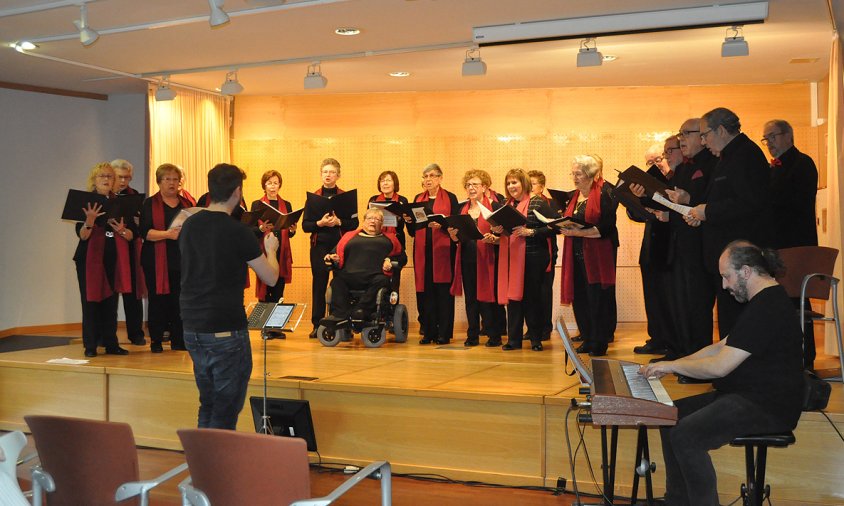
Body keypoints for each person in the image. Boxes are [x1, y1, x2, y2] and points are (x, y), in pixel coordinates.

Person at [641, 241, 804, 506]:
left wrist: (671, 366)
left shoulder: (768, 306)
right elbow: (720, 346)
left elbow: (720, 366)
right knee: (669, 416)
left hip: (767, 406)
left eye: (726, 276)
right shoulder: (762, 301)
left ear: (746, 271)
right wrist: (672, 363)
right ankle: (678, 501)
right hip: (747, 396)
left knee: (686, 435)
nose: (725, 285)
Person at [179, 163, 280, 430]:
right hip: (224, 327)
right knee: (226, 406)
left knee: (208, 401)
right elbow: (270, 277)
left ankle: (203, 465)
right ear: (238, 192)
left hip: (192, 325)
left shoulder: (189, 226)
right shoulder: (238, 232)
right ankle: (217, 468)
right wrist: (271, 249)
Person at [687, 107, 772, 339]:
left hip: (740, 256)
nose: (703, 142)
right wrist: (701, 214)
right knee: (728, 318)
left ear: (722, 130)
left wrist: (709, 211)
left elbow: (750, 202)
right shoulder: (728, 156)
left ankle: (737, 370)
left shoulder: (746, 155)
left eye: (705, 135)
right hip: (727, 253)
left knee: (737, 319)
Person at [763, 118, 819, 369]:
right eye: (766, 139)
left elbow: (792, 201)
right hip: (777, 246)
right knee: (781, 303)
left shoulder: (802, 163)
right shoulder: (773, 168)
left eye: (772, 137)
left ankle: (805, 359)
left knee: (798, 301)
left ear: (788, 135)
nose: (769, 144)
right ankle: (785, 356)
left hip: (797, 245)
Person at [664, 118, 718, 370]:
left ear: (703, 136)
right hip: (680, 245)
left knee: (698, 306)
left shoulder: (713, 163)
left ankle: (700, 362)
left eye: (687, 133)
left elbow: (712, 202)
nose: (682, 138)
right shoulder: (685, 168)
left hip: (702, 246)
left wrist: (689, 198)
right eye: (680, 133)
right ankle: (685, 356)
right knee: (682, 303)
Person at [559, 155, 619, 357]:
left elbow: (606, 228)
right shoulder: (574, 197)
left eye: (579, 174)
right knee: (581, 297)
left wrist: (578, 232)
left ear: (591, 174)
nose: (574, 178)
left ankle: (599, 342)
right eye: (573, 173)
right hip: (576, 254)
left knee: (597, 298)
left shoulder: (605, 193)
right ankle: (587, 338)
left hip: (598, 255)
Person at [73, 162, 134, 357]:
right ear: (94, 180)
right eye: (102, 176)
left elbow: (132, 235)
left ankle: (111, 344)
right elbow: (82, 235)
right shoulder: (85, 202)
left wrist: (122, 230)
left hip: (113, 258)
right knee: (90, 303)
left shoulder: (121, 203)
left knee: (111, 303)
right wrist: (89, 221)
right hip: (89, 260)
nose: (107, 179)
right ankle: (90, 346)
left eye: (110, 176)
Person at [497, 168, 555, 351]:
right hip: (512, 257)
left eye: (514, 182)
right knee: (513, 300)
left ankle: (536, 340)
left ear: (524, 182)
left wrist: (531, 232)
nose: (511, 186)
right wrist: (498, 231)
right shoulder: (507, 205)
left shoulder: (538, 202)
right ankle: (513, 340)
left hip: (534, 257)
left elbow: (554, 227)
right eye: (508, 183)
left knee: (532, 299)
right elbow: (509, 231)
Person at [628, 142, 676, 359]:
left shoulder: (677, 180)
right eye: (650, 163)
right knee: (653, 295)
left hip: (672, 247)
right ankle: (656, 338)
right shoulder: (650, 185)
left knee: (669, 296)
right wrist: (635, 200)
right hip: (651, 246)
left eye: (658, 160)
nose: (655, 165)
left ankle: (672, 341)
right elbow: (637, 216)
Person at [302, 158, 359, 338]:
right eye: (325, 172)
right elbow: (305, 226)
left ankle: (340, 322)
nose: (328, 175)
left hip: (340, 246)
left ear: (338, 175)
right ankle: (317, 323)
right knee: (319, 284)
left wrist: (338, 221)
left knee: (340, 284)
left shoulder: (346, 196)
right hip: (319, 246)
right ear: (321, 174)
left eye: (332, 172)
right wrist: (320, 223)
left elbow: (355, 223)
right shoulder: (313, 197)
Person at [448, 170, 505, 347]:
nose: (471, 188)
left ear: (484, 187)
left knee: (489, 299)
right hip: (467, 257)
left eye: (475, 185)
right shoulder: (461, 208)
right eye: (468, 185)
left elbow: (504, 236)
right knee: (471, 298)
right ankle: (472, 334)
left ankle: (493, 335)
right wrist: (452, 235)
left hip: (488, 258)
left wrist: (495, 239)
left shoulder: (494, 207)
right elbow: (458, 239)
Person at [139, 163, 192, 353]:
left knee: (180, 300)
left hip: (181, 260)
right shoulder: (149, 204)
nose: (171, 183)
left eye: (175, 179)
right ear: (159, 182)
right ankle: (156, 340)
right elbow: (144, 233)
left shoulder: (186, 205)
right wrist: (168, 234)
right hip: (155, 260)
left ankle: (179, 339)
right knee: (158, 300)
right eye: (167, 179)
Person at [323, 208, 401, 321]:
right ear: (364, 221)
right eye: (369, 218)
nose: (373, 221)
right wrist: (331, 257)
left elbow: (401, 257)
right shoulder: (349, 236)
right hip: (349, 276)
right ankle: (340, 315)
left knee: (382, 281)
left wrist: (389, 259)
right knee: (336, 281)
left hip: (375, 277)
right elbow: (334, 253)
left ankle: (360, 311)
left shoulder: (390, 239)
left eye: (377, 219)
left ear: (382, 223)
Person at [412, 163, 459, 345]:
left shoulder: (451, 198)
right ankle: (428, 332)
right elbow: (412, 229)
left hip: (444, 252)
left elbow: (456, 224)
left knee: (443, 294)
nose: (428, 179)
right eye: (425, 176)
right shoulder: (418, 198)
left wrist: (444, 225)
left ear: (440, 178)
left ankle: (444, 333)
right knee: (426, 294)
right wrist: (409, 220)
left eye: (432, 176)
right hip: (423, 253)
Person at [110, 158, 146, 345]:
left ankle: (136, 333)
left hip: (130, 250)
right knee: (109, 296)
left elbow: (141, 227)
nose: (124, 182)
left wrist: (131, 231)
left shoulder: (136, 198)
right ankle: (107, 335)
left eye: (127, 178)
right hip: (109, 251)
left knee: (133, 294)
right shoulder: (103, 196)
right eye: (120, 177)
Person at [251, 170, 296, 303]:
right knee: (265, 292)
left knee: (278, 293)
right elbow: (250, 229)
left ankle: (276, 322)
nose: (272, 186)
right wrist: (260, 228)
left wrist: (292, 231)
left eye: (276, 183)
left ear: (279, 185)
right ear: (264, 186)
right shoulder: (257, 204)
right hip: (263, 251)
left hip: (281, 252)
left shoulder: (286, 204)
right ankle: (263, 322)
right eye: (269, 183)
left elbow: (288, 231)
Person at [528, 170, 558, 342]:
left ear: (541, 187)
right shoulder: (524, 203)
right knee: (530, 293)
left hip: (546, 254)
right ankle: (532, 329)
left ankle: (545, 328)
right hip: (528, 254)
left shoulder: (550, 204)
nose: (529, 187)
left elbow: (554, 227)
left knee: (544, 292)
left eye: (532, 184)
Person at [367, 170, 409, 294]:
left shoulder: (402, 200)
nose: (385, 183)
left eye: (388, 180)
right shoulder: (373, 199)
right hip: (376, 243)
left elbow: (404, 224)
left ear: (394, 183)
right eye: (382, 180)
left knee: (394, 285)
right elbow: (368, 220)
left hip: (396, 244)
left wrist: (401, 217)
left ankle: (393, 306)